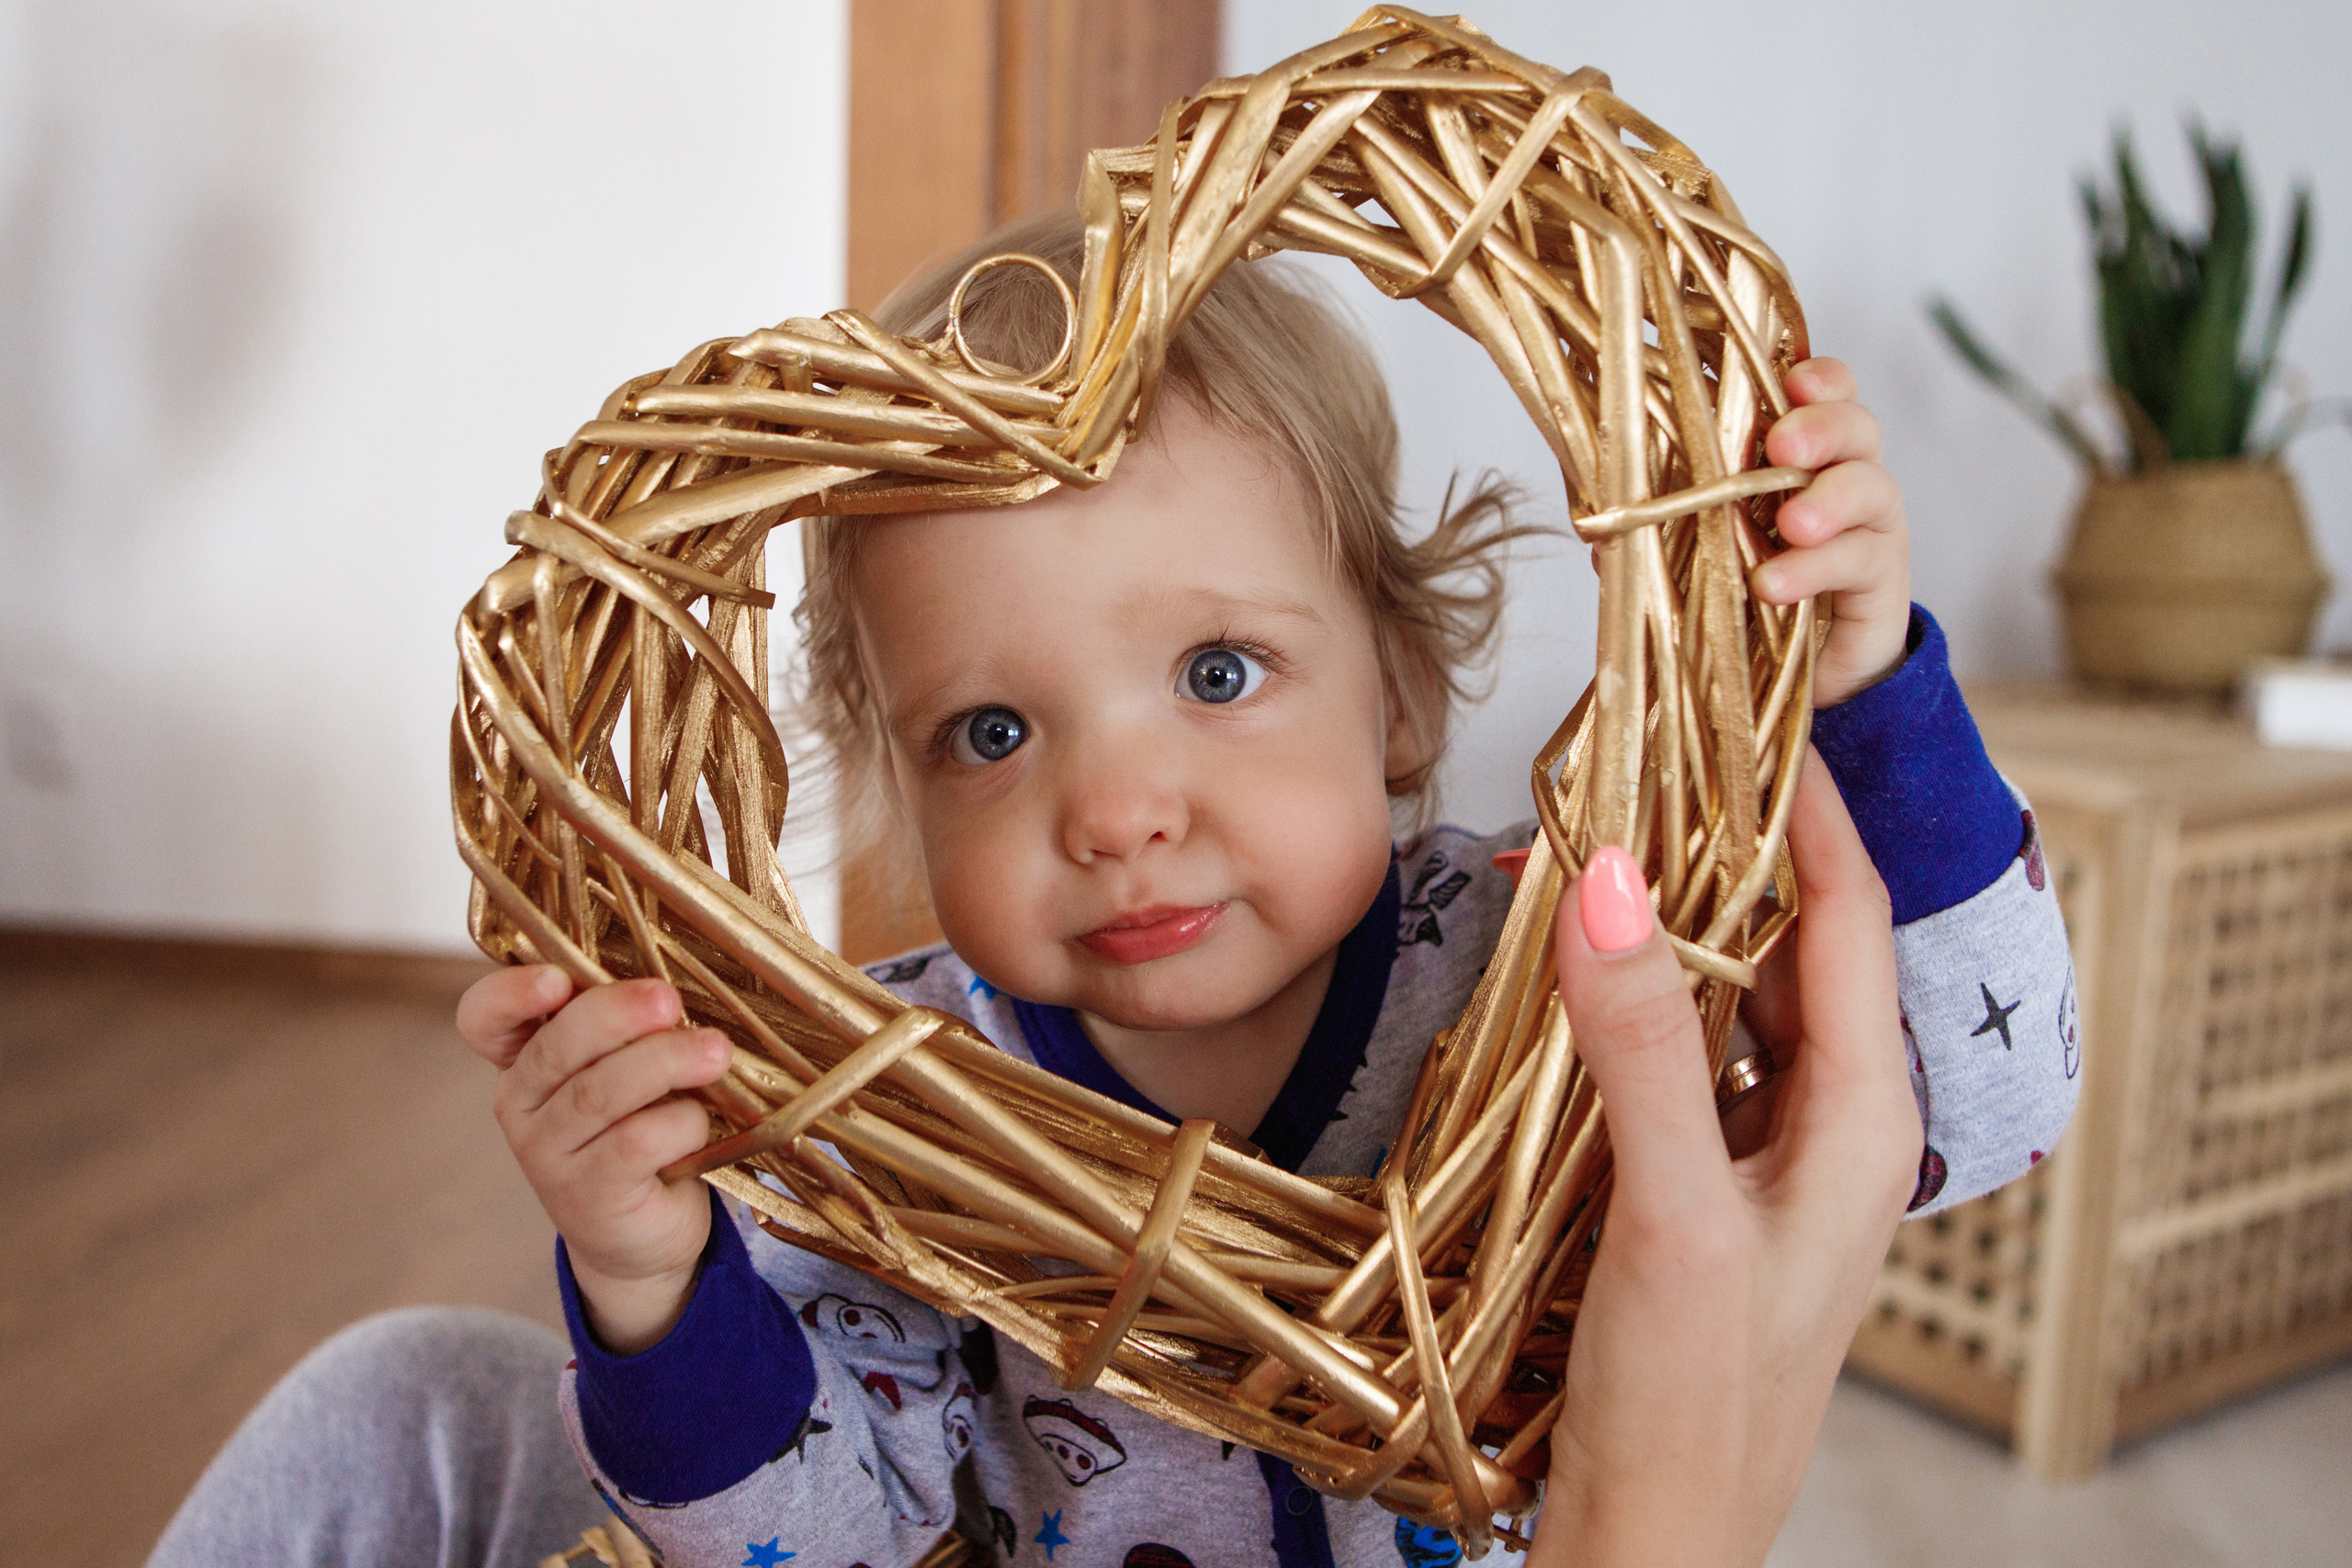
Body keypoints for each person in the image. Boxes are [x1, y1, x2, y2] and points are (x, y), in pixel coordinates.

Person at [149, 212, 2075, 1568]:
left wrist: (1861, 674)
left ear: (1398, 689)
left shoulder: (1535, 973)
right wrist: (655, 1287)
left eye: (1217, 675)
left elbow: (1973, 1097)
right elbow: (801, 1534)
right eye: (989, 731)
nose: (1113, 807)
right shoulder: (894, 1099)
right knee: (387, 1398)